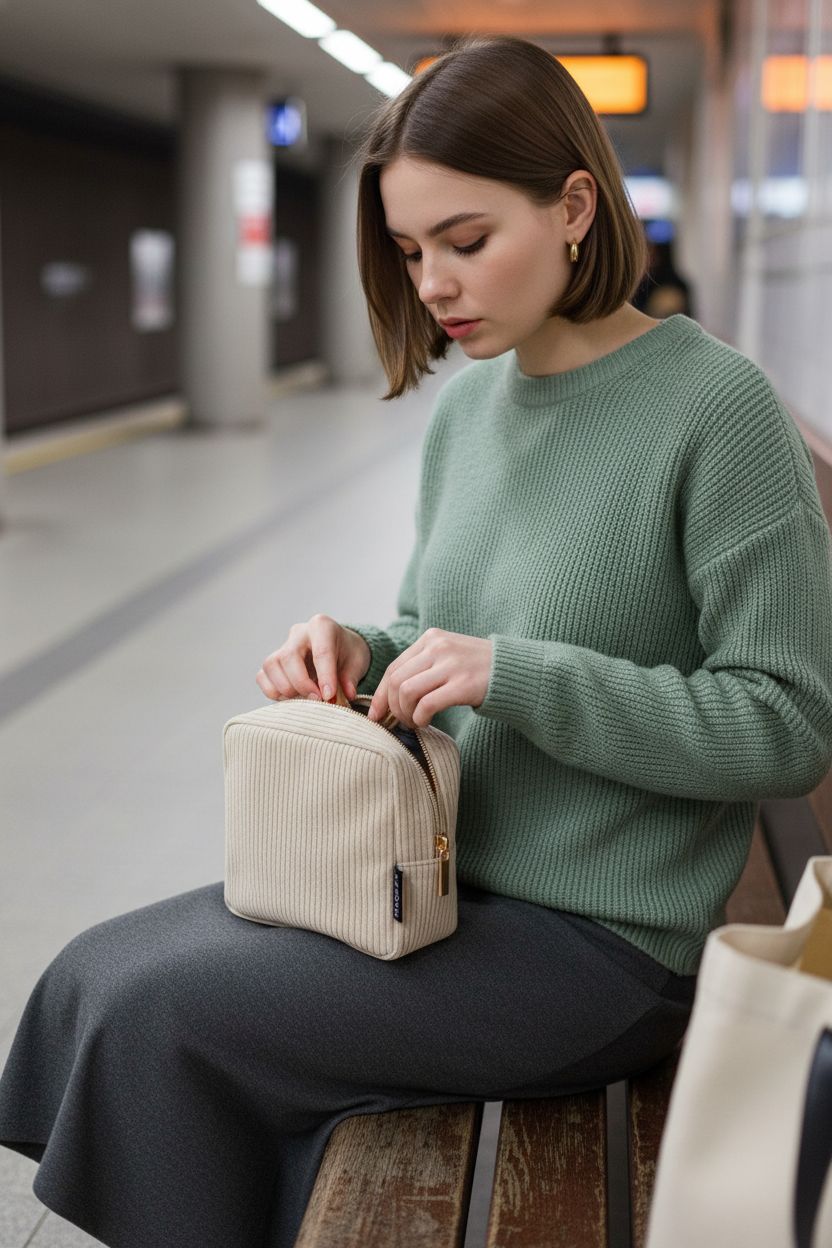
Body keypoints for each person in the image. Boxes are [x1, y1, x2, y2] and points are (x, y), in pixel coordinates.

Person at [2, 32, 832, 1248]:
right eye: (407, 251)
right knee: (92, 970)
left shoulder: (717, 411)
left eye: (465, 240)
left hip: (598, 949)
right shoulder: (472, 405)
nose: (433, 284)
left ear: (573, 208)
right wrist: (358, 650)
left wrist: (519, 679)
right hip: (428, 884)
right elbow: (434, 627)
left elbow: (788, 723)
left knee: (156, 1016)